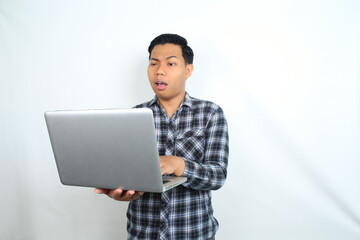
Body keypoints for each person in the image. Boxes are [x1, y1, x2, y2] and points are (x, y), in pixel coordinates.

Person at [95, 33, 229, 240]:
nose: (159, 71)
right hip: (143, 234)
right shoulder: (133, 116)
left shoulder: (210, 113)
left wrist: (178, 164)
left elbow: (218, 175)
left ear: (188, 70)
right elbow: (128, 172)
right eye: (153, 64)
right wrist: (120, 191)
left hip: (194, 233)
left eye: (171, 64)